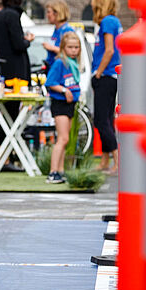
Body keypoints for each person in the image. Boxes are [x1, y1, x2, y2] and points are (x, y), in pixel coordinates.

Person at [0, 0, 34, 152]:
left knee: (4, 115)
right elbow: (18, 44)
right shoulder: (13, 16)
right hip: (15, 74)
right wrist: (28, 40)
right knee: (11, 116)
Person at [90, 0, 122, 174]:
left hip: (106, 75)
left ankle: (117, 161)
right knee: (107, 119)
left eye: (95, 1)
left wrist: (98, 73)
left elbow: (109, 50)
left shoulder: (108, 22)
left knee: (102, 120)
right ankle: (104, 160)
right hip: (110, 76)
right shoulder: (112, 21)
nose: (92, 4)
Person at [44, 32, 82, 184]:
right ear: (63, 48)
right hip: (60, 102)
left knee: (65, 140)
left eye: (76, 47)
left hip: (70, 103)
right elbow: (50, 82)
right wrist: (64, 90)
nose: (74, 50)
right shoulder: (60, 62)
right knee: (63, 138)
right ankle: (53, 172)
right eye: (70, 47)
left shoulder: (73, 63)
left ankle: (60, 170)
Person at [41, 0, 74, 70]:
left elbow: (71, 52)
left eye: (49, 12)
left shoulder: (67, 30)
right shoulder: (56, 29)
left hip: (61, 70)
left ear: (57, 13)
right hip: (52, 68)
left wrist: (51, 48)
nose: (47, 15)